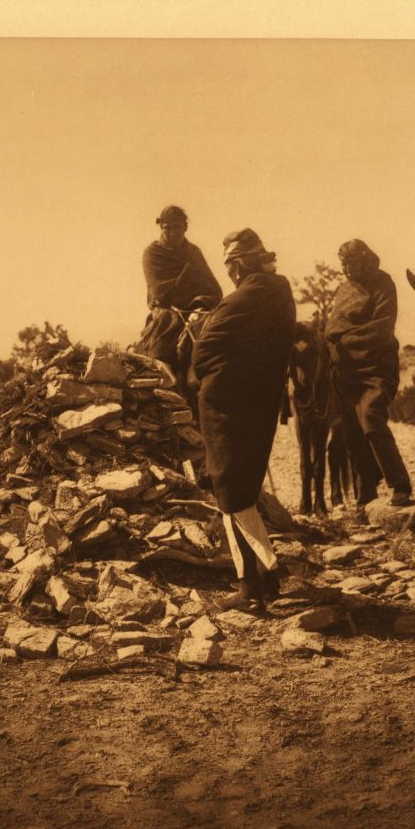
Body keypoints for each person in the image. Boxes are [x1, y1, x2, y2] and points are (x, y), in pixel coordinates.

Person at [193, 228, 296, 613]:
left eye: (232, 265)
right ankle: (266, 576)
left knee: (229, 491)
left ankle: (250, 588)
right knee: (240, 490)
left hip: (229, 407)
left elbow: (208, 345)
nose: (231, 273)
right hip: (259, 404)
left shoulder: (251, 294)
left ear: (242, 263)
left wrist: (202, 370)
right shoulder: (277, 292)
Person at [324, 238, 414, 507]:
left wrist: (343, 341)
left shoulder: (383, 283)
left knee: (371, 417)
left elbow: (382, 328)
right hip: (344, 371)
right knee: (352, 432)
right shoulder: (344, 289)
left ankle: (400, 484)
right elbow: (331, 328)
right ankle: (367, 491)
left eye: (353, 263)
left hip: (376, 367)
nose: (349, 269)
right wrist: (334, 345)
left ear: (366, 260)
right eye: (344, 264)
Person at [135, 205, 223, 365]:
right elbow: (158, 290)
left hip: (198, 307)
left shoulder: (193, 252)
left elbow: (213, 287)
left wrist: (199, 302)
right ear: (160, 228)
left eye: (178, 227)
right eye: (167, 228)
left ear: (185, 228)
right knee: (159, 351)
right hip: (167, 310)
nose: (173, 232)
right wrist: (188, 283)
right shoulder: (152, 253)